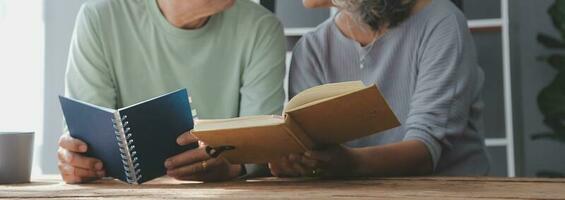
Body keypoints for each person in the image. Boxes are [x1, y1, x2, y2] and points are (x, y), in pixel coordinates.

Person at [57, 0, 286, 183]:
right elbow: (88, 145)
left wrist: (235, 165)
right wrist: (78, 161)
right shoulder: (99, 18)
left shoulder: (261, 28)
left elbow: (261, 150)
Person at [269, 0, 490, 177]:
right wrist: (296, 163)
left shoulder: (442, 21)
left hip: (448, 191)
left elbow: (426, 149)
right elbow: (314, 151)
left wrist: (350, 163)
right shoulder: (311, 49)